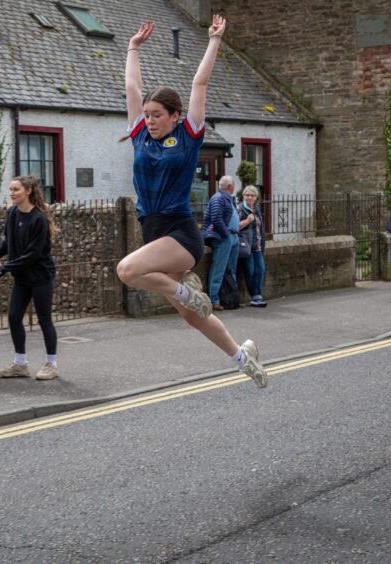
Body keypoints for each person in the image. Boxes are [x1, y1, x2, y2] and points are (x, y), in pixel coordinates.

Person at [116, 16, 267, 387]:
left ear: (175, 116)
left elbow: (199, 82)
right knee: (192, 316)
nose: (149, 120)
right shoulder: (139, 136)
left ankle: (187, 290)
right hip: (153, 233)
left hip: (180, 233)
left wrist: (214, 39)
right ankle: (242, 356)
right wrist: (133, 48)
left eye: (157, 115)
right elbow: (132, 87)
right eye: (147, 115)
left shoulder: (189, 136)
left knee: (127, 271)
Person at [0, 176, 59, 380]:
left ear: (28, 191)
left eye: (16, 189)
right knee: (13, 317)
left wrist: (7, 266)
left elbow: (33, 254)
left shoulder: (38, 219)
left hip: (41, 276)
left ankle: (51, 364)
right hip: (22, 276)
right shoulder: (12, 213)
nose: (11, 193)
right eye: (10, 189)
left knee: (44, 320)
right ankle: (20, 364)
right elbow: (8, 240)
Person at [201, 175, 239, 311]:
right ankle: (214, 299)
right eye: (234, 184)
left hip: (233, 236)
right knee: (219, 269)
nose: (234, 187)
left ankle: (232, 299)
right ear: (229, 186)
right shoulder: (218, 198)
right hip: (224, 237)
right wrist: (226, 234)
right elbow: (216, 219)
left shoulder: (229, 199)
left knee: (231, 270)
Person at [237, 185, 268, 307]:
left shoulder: (257, 209)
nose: (249, 197)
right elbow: (234, 227)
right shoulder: (240, 209)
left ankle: (257, 296)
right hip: (246, 246)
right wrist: (247, 221)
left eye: (252, 195)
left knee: (260, 270)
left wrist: (263, 244)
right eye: (247, 195)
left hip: (258, 246)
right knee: (250, 271)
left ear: (256, 197)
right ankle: (255, 296)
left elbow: (261, 229)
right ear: (243, 196)